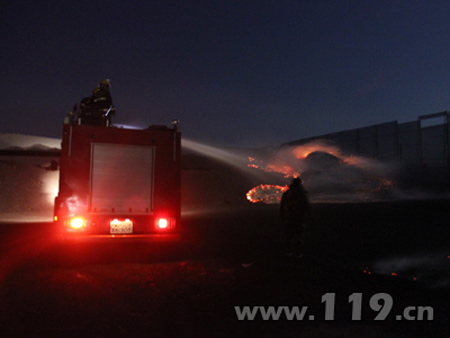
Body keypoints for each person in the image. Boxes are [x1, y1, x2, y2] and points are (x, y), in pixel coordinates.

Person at [280, 177, 311, 259]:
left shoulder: (287, 194)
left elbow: (282, 205)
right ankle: (297, 253)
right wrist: (308, 215)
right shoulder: (301, 193)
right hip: (299, 217)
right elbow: (306, 205)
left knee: (288, 235)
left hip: (289, 217)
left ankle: (288, 252)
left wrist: (283, 215)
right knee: (298, 236)